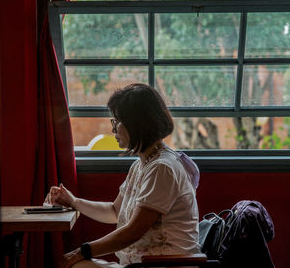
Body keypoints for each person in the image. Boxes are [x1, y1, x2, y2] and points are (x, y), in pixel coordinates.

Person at [45, 83, 200, 268]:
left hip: (161, 264)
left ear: (137, 124)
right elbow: (115, 212)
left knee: (76, 265)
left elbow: (133, 232)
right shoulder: (142, 165)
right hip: (141, 264)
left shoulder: (162, 168)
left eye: (117, 121)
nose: (113, 129)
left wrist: (80, 252)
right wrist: (73, 201)